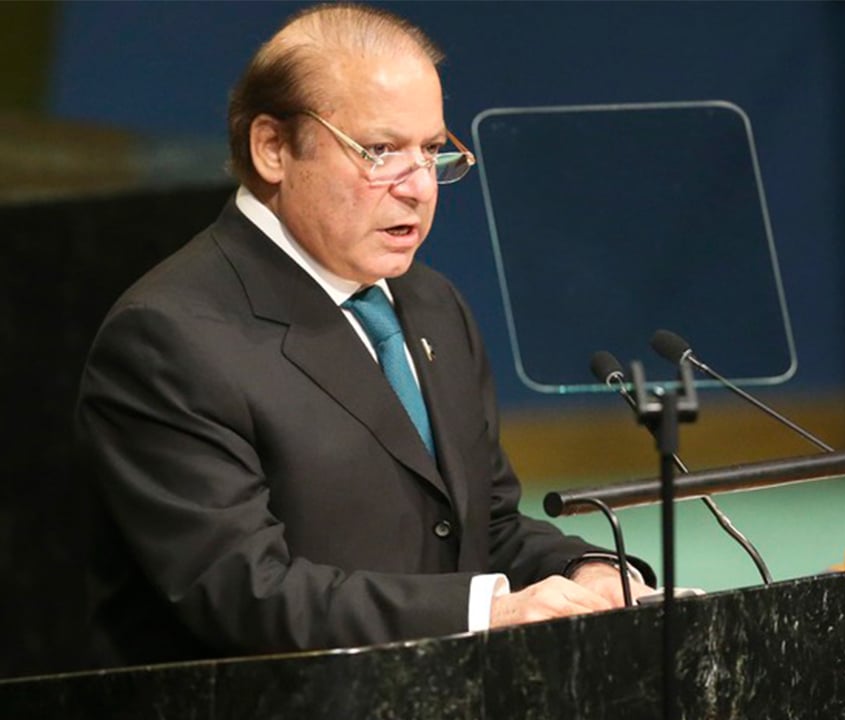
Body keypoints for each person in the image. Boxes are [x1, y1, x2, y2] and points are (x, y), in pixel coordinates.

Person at [76, 3, 653, 668]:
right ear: (273, 148)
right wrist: (486, 612)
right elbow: (243, 593)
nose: (418, 189)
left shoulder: (432, 304)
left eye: (432, 151)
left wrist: (589, 569)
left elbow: (482, 528)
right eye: (380, 151)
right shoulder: (168, 337)